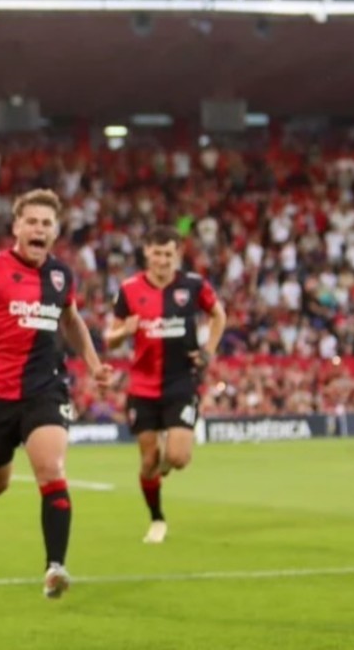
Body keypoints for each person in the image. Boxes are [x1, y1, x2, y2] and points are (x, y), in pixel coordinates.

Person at [0, 189, 113, 599]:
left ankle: (55, 567)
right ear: (16, 226)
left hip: (45, 389)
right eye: (32, 221)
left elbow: (71, 320)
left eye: (47, 224)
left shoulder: (61, 275)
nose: (39, 229)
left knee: (52, 469)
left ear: (55, 231)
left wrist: (95, 363)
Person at [106, 226, 227, 544]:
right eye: (157, 253)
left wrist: (208, 351)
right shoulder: (130, 289)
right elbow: (110, 337)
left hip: (180, 382)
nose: (162, 260)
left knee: (178, 458)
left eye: (168, 254)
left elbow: (219, 315)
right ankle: (157, 518)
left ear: (178, 254)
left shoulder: (193, 285)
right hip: (142, 387)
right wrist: (125, 331)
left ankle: (162, 467)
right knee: (148, 461)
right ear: (147, 252)